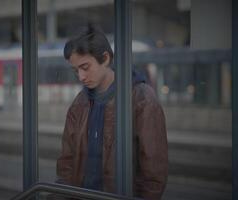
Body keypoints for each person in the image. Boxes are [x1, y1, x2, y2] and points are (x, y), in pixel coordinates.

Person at [56, 25, 168, 200]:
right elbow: (67, 163)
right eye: (76, 70)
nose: (81, 77)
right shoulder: (79, 103)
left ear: (105, 58)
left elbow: (153, 175)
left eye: (85, 67)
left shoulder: (142, 100)